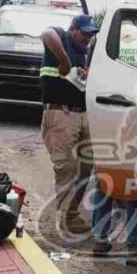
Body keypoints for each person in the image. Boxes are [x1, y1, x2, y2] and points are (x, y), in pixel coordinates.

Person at [89, 12, 137, 266]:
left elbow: (90, 76)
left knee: (104, 178)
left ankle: (100, 239)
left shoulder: (101, 39)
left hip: (106, 113)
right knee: (135, 183)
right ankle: (136, 245)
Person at [39, 14, 100, 234]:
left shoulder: (85, 52)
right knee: (66, 168)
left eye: (90, 35)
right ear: (72, 29)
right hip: (60, 113)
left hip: (82, 115)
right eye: (84, 33)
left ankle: (71, 214)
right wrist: (64, 60)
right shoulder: (61, 38)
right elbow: (47, 34)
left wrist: (87, 74)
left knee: (86, 166)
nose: (87, 38)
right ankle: (64, 220)